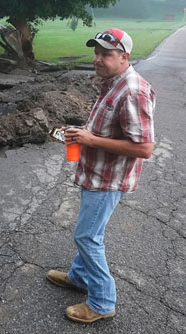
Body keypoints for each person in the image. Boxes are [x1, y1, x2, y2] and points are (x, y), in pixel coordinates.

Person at [46, 28, 155, 323]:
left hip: (108, 181)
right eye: (96, 53)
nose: (98, 59)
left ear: (124, 56)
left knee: (87, 236)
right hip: (95, 173)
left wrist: (91, 141)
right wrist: (82, 134)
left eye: (106, 54)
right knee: (90, 234)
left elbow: (144, 147)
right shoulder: (111, 83)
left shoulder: (132, 90)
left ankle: (103, 302)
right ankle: (79, 277)